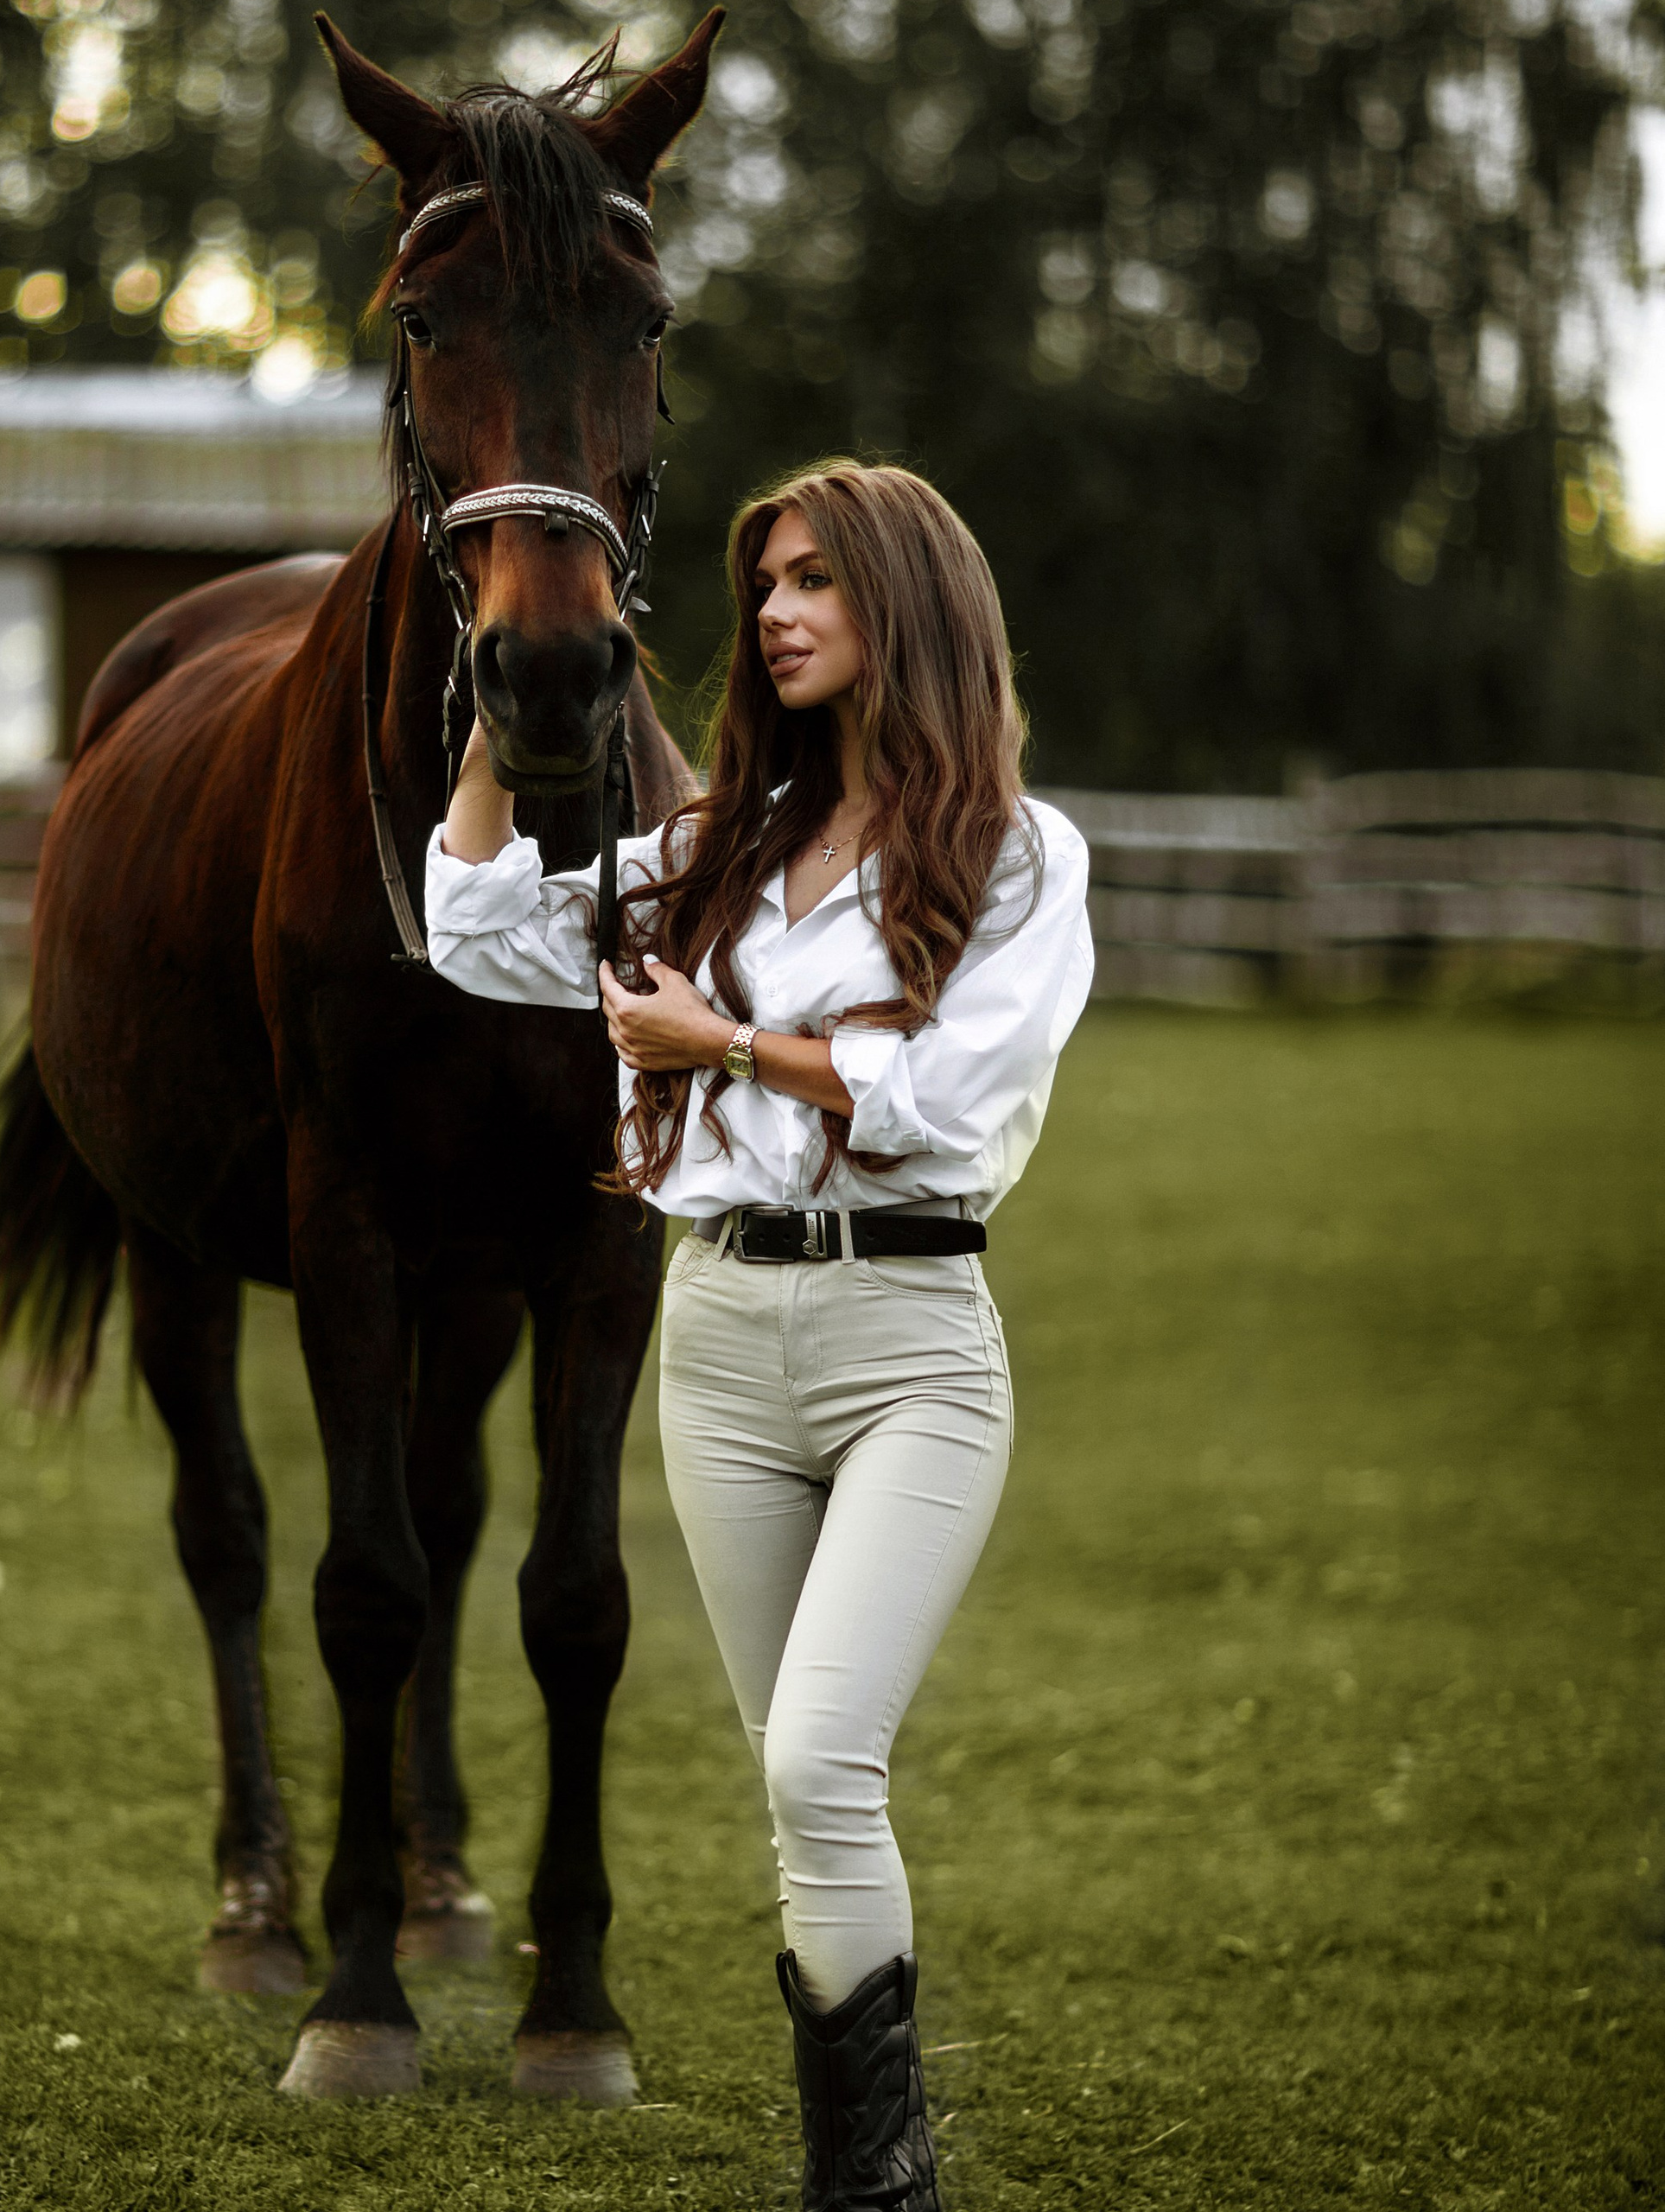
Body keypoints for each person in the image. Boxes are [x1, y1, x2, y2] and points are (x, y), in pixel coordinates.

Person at [424, 461, 1093, 2212]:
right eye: (765, 584)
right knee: (794, 1788)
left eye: (816, 580)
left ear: (909, 610)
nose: (777, 611)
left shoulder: (1016, 856)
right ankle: (859, 2183)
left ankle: (877, 2186)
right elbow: (471, 923)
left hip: (908, 1340)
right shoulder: (719, 844)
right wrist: (501, 713)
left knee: (816, 1753)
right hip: (715, 1335)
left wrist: (714, 1045)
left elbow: (942, 1098)